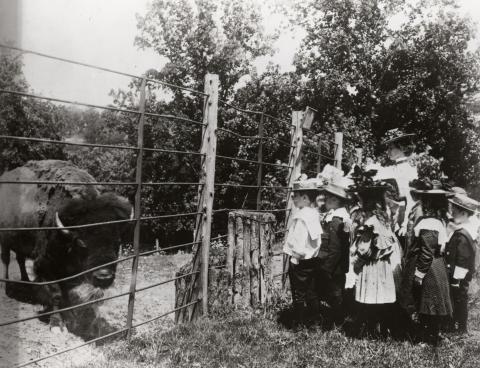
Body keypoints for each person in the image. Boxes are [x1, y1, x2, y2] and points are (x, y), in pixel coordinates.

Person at [399, 156, 453, 345]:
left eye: (422, 198)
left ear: (428, 202)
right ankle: (431, 336)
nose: (419, 201)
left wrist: (419, 273)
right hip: (435, 267)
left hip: (429, 269)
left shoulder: (429, 223)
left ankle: (428, 337)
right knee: (429, 305)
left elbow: (427, 250)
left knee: (427, 304)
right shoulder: (438, 221)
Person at [348, 166, 402, 337]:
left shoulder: (370, 223)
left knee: (371, 299)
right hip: (383, 266)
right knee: (382, 298)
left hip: (372, 266)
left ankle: (370, 331)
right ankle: (383, 330)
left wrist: (355, 264)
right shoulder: (382, 220)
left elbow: (364, 249)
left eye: (361, 200)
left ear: (366, 202)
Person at [283, 177, 322, 328]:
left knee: (298, 292)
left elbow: (299, 239)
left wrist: (295, 257)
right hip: (312, 260)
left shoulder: (301, 217)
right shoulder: (313, 214)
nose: (293, 199)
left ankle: (298, 322)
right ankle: (315, 320)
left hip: (299, 260)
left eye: (295, 196)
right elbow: (317, 239)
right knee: (312, 291)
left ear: (305, 198)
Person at [316, 171, 351, 327]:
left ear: (340, 202)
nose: (328, 200)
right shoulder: (333, 217)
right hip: (335, 265)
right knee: (334, 292)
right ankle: (336, 317)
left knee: (335, 293)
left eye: (333, 198)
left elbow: (336, 248)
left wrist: (327, 267)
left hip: (333, 266)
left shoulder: (337, 220)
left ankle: (338, 320)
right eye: (328, 197)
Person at [376, 129, 418, 248]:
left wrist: (405, 224)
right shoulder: (393, 168)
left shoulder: (407, 170)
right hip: (391, 215)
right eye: (388, 148)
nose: (388, 151)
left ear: (403, 148)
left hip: (402, 216)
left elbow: (410, 199)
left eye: (391, 148)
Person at [445, 192, 479, 334]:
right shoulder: (461, 230)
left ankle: (461, 328)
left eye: (455, 209)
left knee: (460, 298)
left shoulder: (463, 234)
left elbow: (462, 259)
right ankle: (454, 325)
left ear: (464, 213)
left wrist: (456, 279)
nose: (452, 211)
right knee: (456, 298)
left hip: (459, 274)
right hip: (457, 273)